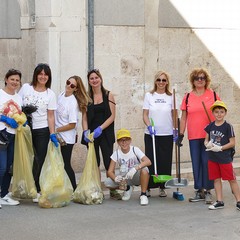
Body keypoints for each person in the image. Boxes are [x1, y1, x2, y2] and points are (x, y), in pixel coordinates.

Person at [178, 68, 220, 204]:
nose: (200, 80)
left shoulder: (213, 95)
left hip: (209, 136)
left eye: (202, 78)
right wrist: (181, 134)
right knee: (196, 163)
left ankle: (208, 190)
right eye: (197, 78)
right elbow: (183, 118)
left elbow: (220, 113)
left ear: (206, 80)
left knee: (207, 162)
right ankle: (199, 190)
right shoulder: (188, 97)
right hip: (194, 135)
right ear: (193, 81)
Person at [18, 63, 58, 202]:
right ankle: (24, 186)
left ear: (48, 77)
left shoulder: (50, 94)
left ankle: (36, 189)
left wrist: (52, 133)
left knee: (39, 159)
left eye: (45, 74)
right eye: (40, 74)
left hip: (42, 130)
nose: (42, 76)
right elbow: (17, 105)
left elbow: (51, 115)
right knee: (25, 158)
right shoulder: (26, 88)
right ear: (36, 75)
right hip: (25, 128)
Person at [81, 69, 117, 199]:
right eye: (91, 78)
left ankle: (113, 189)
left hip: (105, 133)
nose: (94, 80)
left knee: (109, 162)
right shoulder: (86, 97)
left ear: (100, 79)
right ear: (89, 81)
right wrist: (85, 131)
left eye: (96, 78)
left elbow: (112, 116)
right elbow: (84, 117)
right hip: (91, 135)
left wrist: (100, 129)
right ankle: (98, 190)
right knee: (94, 163)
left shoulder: (109, 95)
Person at [143, 70, 177, 197]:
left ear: (167, 82)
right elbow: (145, 114)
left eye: (164, 80)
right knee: (150, 160)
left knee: (165, 161)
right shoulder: (149, 95)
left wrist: (176, 130)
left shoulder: (171, 96)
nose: (161, 82)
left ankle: (162, 186)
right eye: (159, 80)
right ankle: (148, 187)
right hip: (151, 134)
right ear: (155, 81)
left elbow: (174, 115)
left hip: (166, 133)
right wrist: (149, 125)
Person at [55, 76, 91, 190]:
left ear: (76, 89)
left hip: (66, 138)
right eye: (68, 82)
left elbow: (72, 124)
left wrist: (56, 130)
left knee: (66, 163)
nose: (68, 86)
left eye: (72, 85)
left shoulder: (72, 103)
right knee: (59, 163)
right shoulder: (61, 95)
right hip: (58, 135)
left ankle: (74, 188)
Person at [204, 100, 240, 210]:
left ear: (225, 113)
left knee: (231, 179)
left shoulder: (228, 126)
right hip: (212, 157)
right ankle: (219, 201)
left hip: (224, 157)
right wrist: (208, 145)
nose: (219, 114)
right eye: (216, 112)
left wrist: (220, 148)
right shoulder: (210, 126)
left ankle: (239, 201)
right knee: (216, 179)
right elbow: (206, 140)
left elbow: (232, 143)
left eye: (221, 112)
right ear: (213, 113)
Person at [104, 128, 151, 205]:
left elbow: (148, 161)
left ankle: (143, 194)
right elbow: (110, 171)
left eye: (126, 140)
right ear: (118, 142)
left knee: (145, 170)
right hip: (124, 178)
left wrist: (136, 168)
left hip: (135, 176)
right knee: (107, 182)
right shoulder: (116, 153)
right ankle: (128, 188)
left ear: (130, 140)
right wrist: (115, 178)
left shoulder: (135, 149)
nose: (124, 142)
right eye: (121, 140)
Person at [0, 69, 23, 207]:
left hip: (14, 134)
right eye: (12, 79)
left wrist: (23, 121)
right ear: (6, 79)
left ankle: (3, 194)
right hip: (1, 133)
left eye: (17, 80)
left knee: (9, 167)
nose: (14, 82)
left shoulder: (18, 98)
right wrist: (3, 118)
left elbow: (19, 114)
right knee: (1, 167)